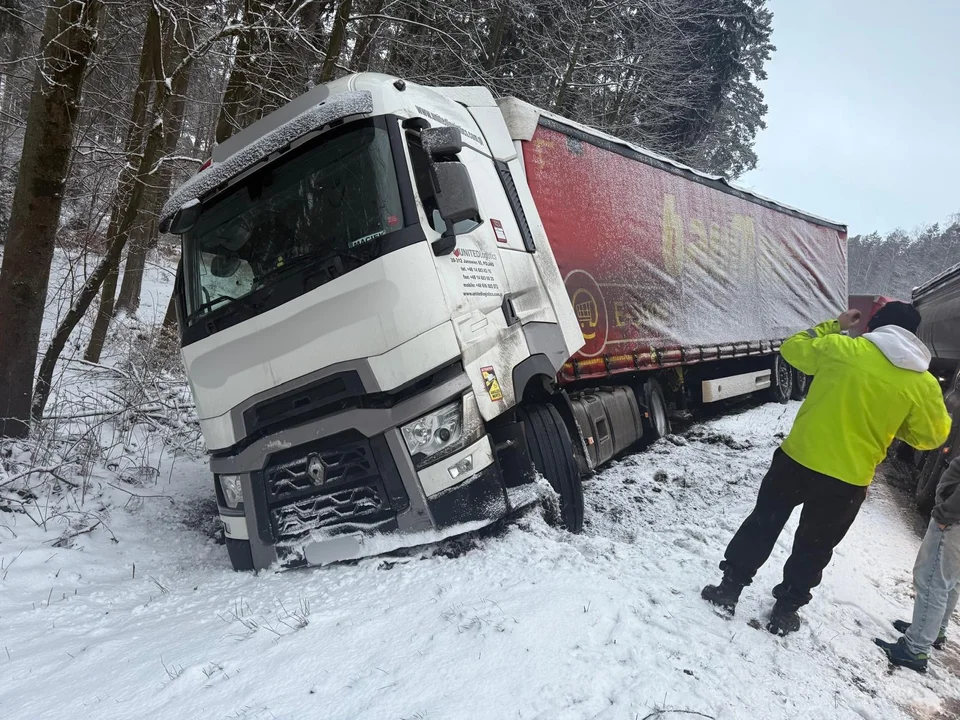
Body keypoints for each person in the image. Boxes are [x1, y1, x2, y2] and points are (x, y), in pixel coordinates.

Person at [701, 301, 952, 635]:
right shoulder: (922, 383)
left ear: (874, 327)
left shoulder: (842, 348)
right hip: (849, 479)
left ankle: (729, 589)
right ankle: (785, 611)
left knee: (763, 523)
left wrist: (834, 324)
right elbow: (930, 437)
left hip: (798, 460)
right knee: (816, 544)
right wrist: (891, 424)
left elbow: (793, 350)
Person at [876, 455, 960, 672]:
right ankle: (934, 631)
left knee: (933, 580)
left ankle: (916, 649)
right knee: (951, 579)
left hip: (954, 521)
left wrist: (946, 513)